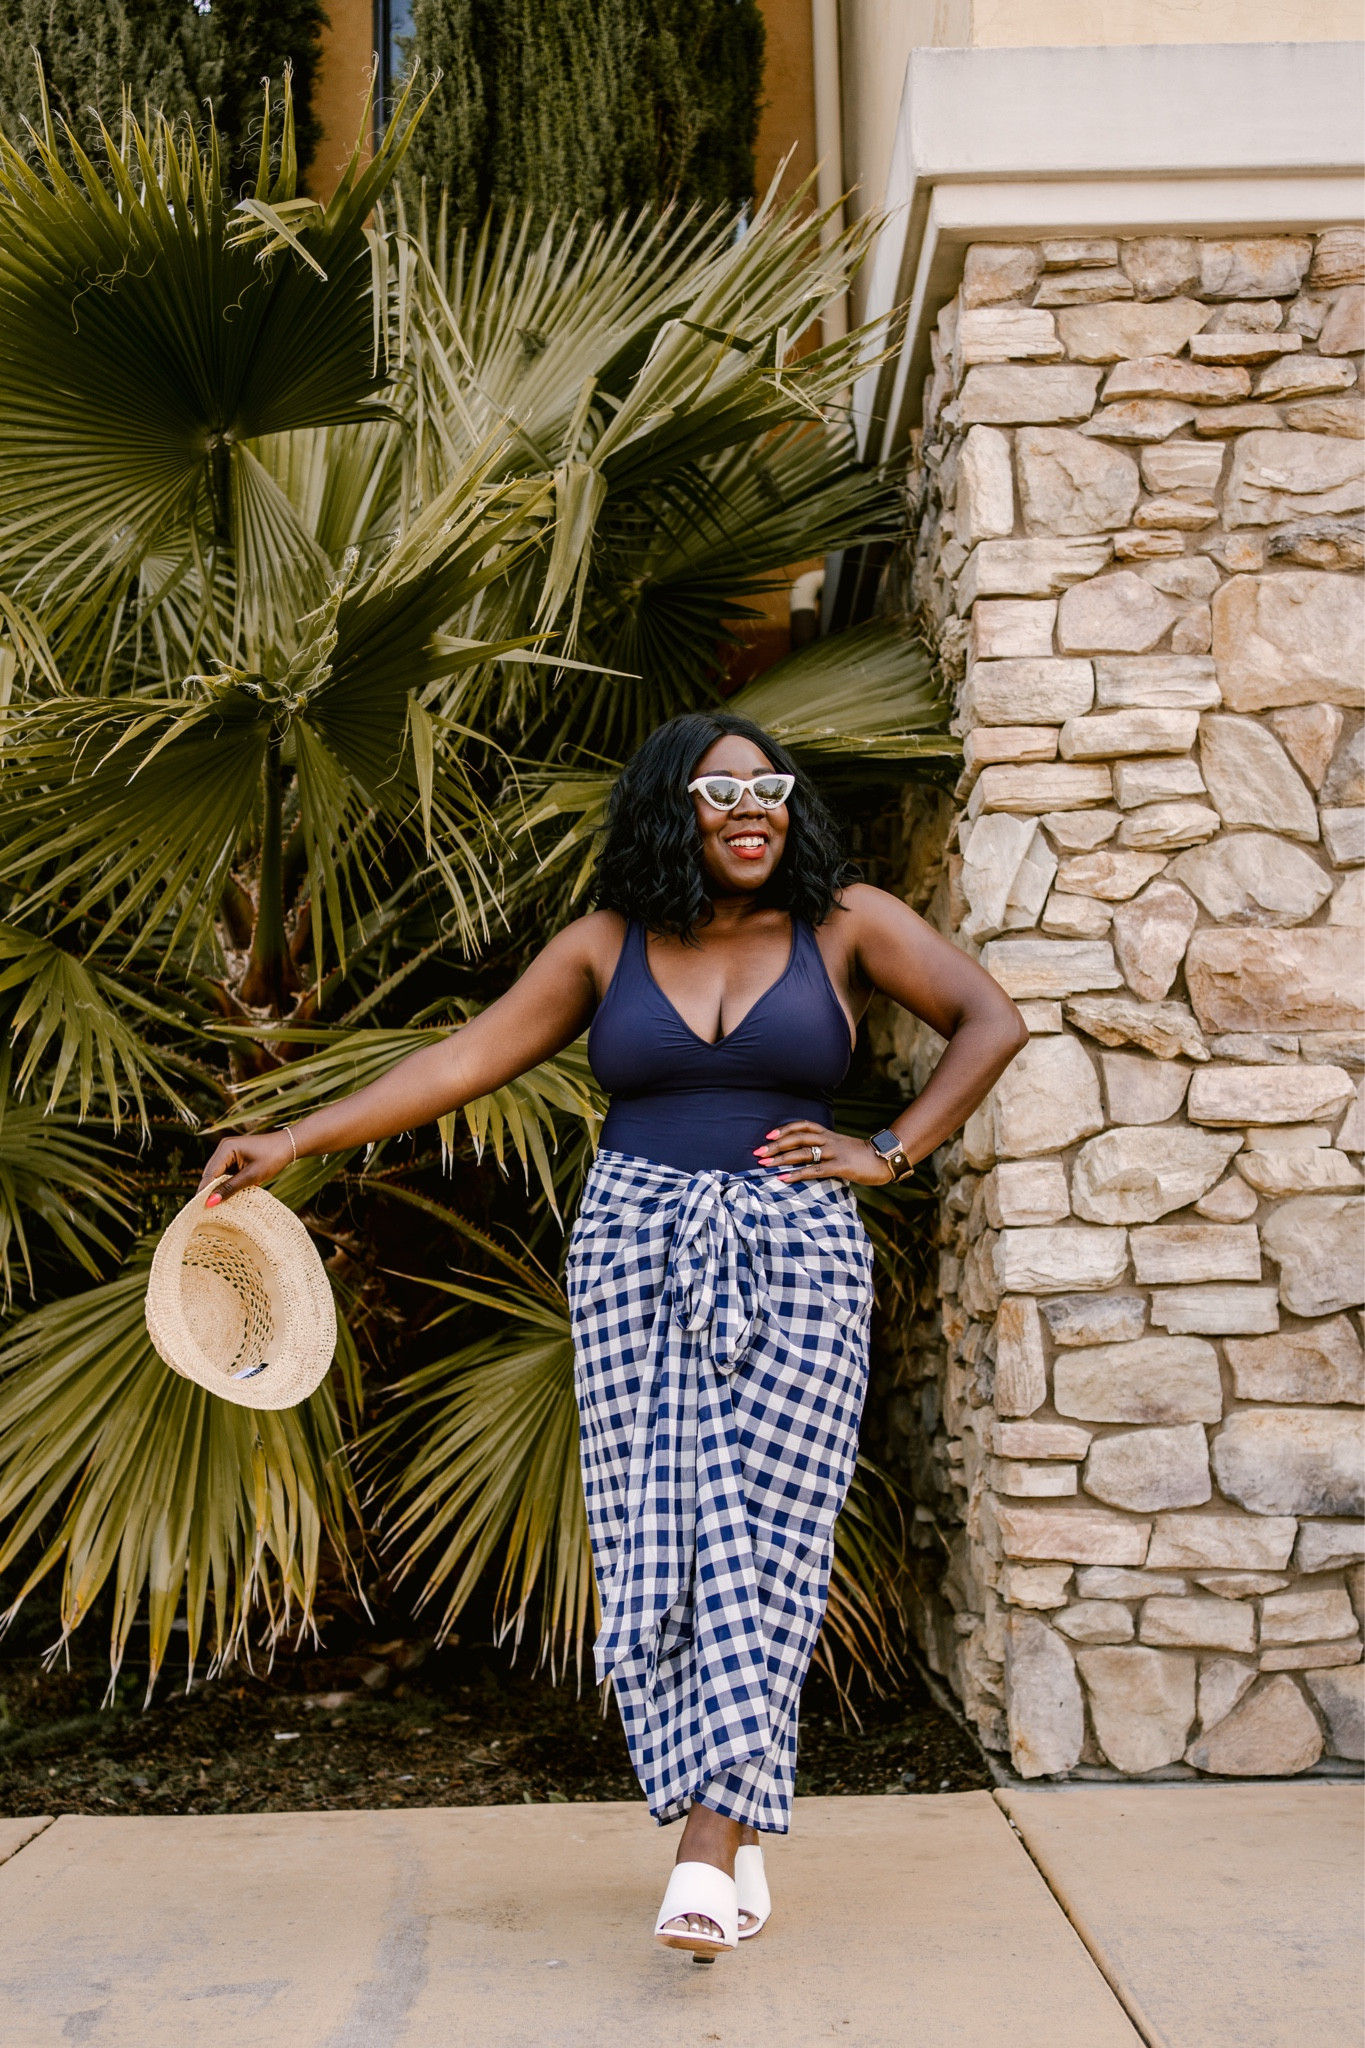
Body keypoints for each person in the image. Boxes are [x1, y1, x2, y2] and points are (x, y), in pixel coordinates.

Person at [199, 711, 1026, 1959]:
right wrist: (298, 1138)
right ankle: (736, 1820)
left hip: (800, 1249)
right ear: (668, 807)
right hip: (635, 1248)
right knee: (664, 1531)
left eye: (773, 788)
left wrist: (889, 1150)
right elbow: (468, 1054)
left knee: (774, 1524)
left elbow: (991, 1018)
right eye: (722, 789)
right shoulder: (604, 943)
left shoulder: (845, 918)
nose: (755, 807)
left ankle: (704, 1839)